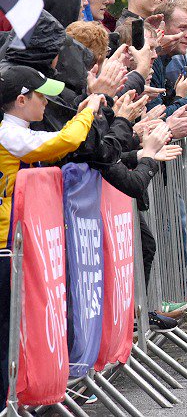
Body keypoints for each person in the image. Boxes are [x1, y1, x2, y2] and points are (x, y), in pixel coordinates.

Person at [0, 66, 104, 399]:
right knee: (6, 331)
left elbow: (59, 144)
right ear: (21, 100)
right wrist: (86, 114)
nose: (46, 103)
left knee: (12, 330)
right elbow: (65, 140)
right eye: (41, 96)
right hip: (4, 245)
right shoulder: (8, 133)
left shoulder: (16, 132)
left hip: (11, 243)